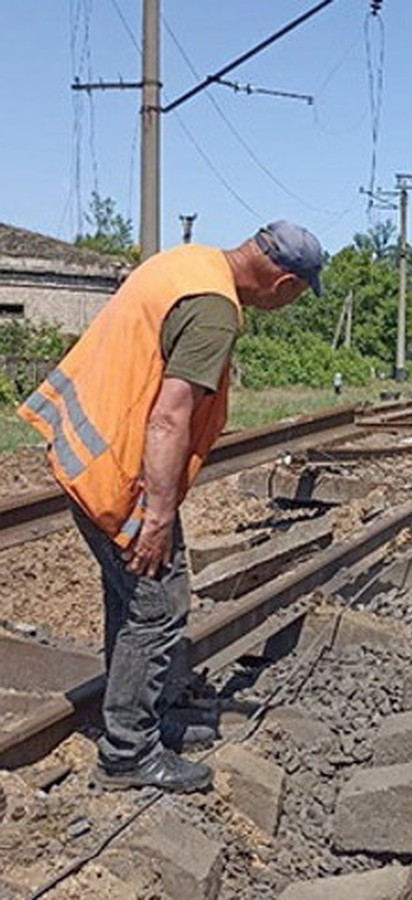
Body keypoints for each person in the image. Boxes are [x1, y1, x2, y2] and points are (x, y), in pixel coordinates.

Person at [18, 220, 325, 793]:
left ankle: (136, 716)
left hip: (89, 449)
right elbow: (169, 417)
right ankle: (129, 753)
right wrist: (156, 517)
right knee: (159, 604)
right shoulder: (214, 310)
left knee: (132, 599)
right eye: (300, 293)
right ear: (285, 284)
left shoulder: (187, 262)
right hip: (121, 471)